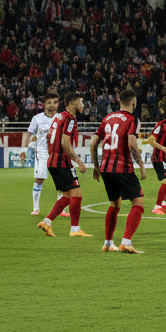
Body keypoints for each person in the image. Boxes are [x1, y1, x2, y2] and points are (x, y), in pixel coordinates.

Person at [89, 89, 148, 253]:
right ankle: (126, 242)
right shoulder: (132, 119)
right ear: (134, 103)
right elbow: (132, 144)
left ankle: (108, 243)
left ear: (119, 101)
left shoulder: (107, 118)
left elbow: (93, 144)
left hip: (106, 168)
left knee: (115, 204)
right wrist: (141, 165)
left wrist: (96, 166)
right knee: (138, 202)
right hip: (122, 167)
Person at [37, 92, 92, 238]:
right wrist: (79, 162)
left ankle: (47, 222)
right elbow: (65, 143)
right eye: (80, 102)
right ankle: (75, 229)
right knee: (77, 194)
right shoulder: (70, 119)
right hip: (62, 162)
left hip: (53, 161)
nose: (82, 105)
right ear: (72, 103)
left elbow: (50, 138)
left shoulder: (59, 117)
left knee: (67, 196)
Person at [23, 92, 60, 215]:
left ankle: (61, 209)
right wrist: (24, 149)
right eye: (49, 102)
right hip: (42, 153)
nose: (52, 105)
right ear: (44, 104)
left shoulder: (62, 118)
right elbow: (29, 134)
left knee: (61, 180)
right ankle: (36, 208)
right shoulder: (37, 118)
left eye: (55, 102)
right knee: (39, 179)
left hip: (58, 153)